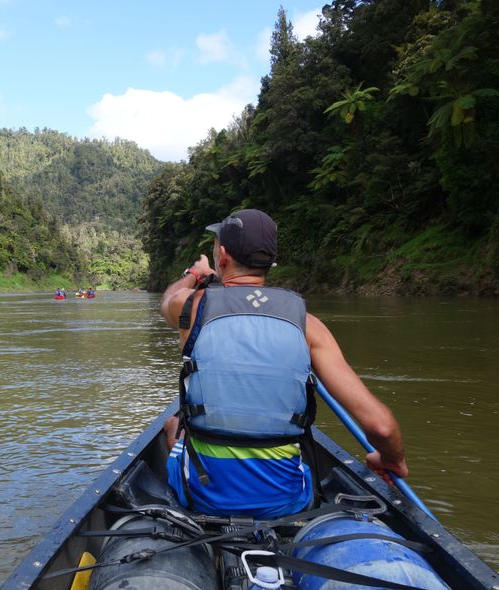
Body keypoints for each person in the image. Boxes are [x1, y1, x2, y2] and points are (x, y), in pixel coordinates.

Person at [159, 208, 408, 518]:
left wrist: (197, 274)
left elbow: (169, 298)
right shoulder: (308, 325)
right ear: (270, 261)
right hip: (287, 499)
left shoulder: (191, 307)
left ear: (222, 255)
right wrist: (392, 460)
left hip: (204, 496)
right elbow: (381, 427)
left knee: (173, 426)